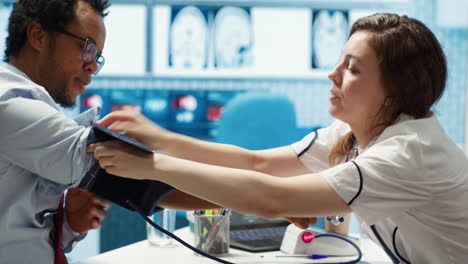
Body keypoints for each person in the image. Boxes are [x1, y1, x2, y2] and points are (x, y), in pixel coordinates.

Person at [91, 13, 468, 263]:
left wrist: (151, 164)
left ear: (394, 91)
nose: (332, 74)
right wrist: (162, 138)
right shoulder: (356, 134)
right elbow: (257, 163)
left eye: (351, 68)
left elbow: (271, 198)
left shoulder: (405, 153)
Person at [0, 0, 112, 263]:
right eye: (87, 49)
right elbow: (102, 161)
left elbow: (14, 239)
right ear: (38, 37)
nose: (92, 67)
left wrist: (68, 226)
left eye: (97, 58)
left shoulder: (32, 108)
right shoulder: (7, 103)